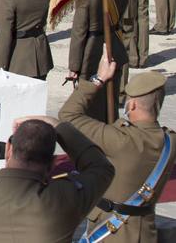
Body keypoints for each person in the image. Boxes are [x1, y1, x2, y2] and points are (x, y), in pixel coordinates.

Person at [0, 114, 114, 242]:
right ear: (53, 162)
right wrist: (59, 127)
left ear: (9, 149)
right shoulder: (64, 200)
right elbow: (101, 167)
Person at [60, 59, 174, 243]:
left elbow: (68, 115)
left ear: (132, 105)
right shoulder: (170, 140)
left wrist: (99, 78)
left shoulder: (120, 140)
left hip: (111, 233)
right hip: (145, 232)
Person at [69, 0, 137, 121]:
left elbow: (79, 31)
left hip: (93, 50)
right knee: (111, 98)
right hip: (115, 43)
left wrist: (74, 66)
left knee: (90, 101)